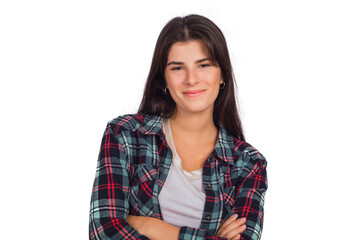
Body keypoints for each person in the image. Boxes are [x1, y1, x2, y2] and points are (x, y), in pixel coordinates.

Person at [89, 14, 267, 240]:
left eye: (203, 65)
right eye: (177, 68)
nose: (191, 79)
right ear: (163, 78)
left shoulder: (249, 163)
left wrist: (155, 228)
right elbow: (103, 232)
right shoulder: (125, 135)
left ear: (222, 75)